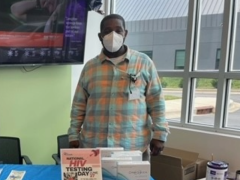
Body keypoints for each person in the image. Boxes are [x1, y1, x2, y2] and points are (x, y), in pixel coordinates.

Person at [67, 14, 169, 160]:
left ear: (125, 33)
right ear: (100, 36)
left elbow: (156, 101)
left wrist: (160, 134)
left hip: (133, 148)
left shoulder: (143, 63)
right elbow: (78, 105)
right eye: (107, 31)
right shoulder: (90, 67)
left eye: (118, 30)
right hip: (94, 147)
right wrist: (73, 135)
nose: (112, 35)